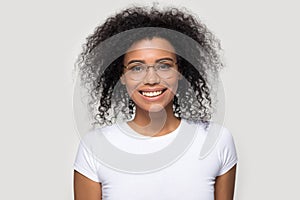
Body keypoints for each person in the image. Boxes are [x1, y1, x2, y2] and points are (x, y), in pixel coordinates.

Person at [73, 5, 237, 200]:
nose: (151, 79)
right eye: (136, 68)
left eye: (164, 65)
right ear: (122, 76)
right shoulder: (95, 148)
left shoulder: (216, 142)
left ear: (180, 71)